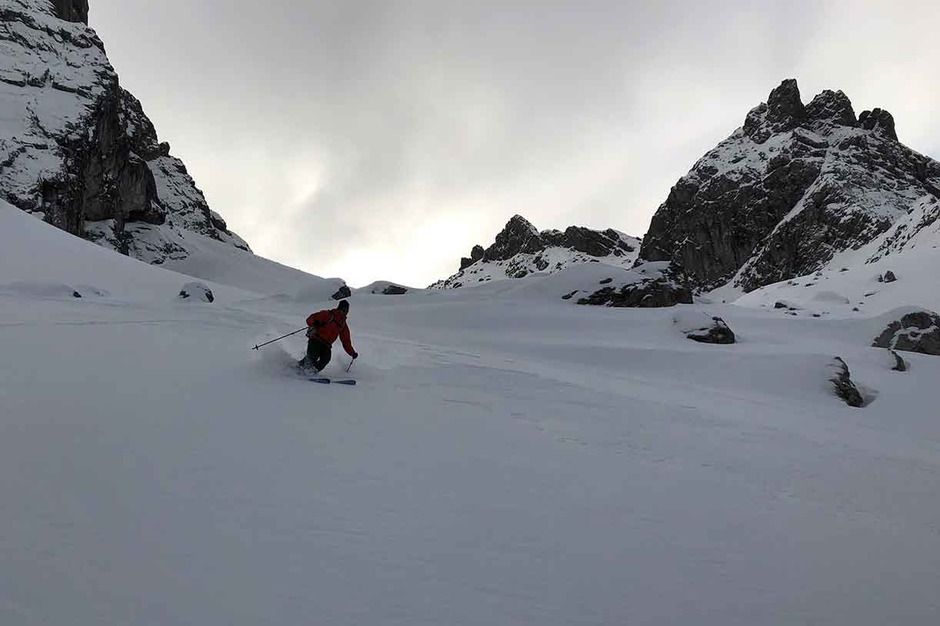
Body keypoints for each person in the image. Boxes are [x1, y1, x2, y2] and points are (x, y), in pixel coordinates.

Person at [298, 299, 358, 373]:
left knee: (325, 360)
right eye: (344, 310)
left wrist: (352, 352)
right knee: (312, 358)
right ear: (340, 308)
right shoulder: (328, 314)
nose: (345, 312)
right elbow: (310, 319)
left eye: (346, 311)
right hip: (316, 340)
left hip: (327, 345)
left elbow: (346, 340)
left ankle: (311, 371)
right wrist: (315, 322)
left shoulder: (342, 325)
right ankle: (300, 369)